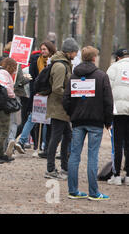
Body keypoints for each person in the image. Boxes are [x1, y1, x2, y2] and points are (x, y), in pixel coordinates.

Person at [63, 46, 113, 200]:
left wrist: (72, 114)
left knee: (74, 156)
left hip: (78, 121)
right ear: (93, 58)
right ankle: (93, 192)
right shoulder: (101, 76)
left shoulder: (74, 76)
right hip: (96, 121)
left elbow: (66, 99)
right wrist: (108, 121)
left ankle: (73, 190)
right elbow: (108, 101)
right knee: (92, 156)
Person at [44, 37, 79, 180]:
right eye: (75, 52)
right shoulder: (60, 66)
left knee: (67, 136)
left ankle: (64, 167)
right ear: (70, 52)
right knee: (56, 138)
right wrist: (71, 95)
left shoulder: (64, 63)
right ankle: (51, 169)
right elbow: (57, 88)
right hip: (58, 108)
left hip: (61, 108)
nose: (76, 55)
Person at [16, 41, 57, 154]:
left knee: (45, 120)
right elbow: (33, 80)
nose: (43, 51)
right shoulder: (35, 61)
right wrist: (35, 94)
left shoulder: (54, 62)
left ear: (50, 50)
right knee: (33, 117)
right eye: (41, 49)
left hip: (49, 94)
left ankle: (43, 144)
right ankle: (23, 141)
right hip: (38, 94)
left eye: (45, 49)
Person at [106, 48, 129, 185]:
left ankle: (116, 175)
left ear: (118, 58)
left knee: (117, 143)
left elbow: (107, 90)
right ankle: (128, 176)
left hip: (117, 111)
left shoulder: (113, 68)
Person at [0, 57, 18, 163]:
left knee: (1, 131)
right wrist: (13, 96)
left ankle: (0, 154)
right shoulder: (5, 74)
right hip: (4, 104)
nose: (15, 70)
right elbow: (7, 88)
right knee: (4, 131)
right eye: (14, 68)